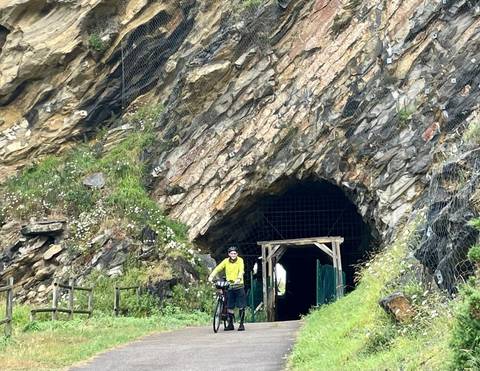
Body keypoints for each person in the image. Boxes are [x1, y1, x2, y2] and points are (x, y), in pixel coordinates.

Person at [208, 246, 246, 331]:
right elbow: (218, 268)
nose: (233, 255)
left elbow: (241, 270)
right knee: (229, 306)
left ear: (237, 254)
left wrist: (239, 278)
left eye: (235, 253)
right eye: (231, 253)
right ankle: (230, 324)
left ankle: (241, 324)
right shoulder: (226, 261)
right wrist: (211, 276)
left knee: (241, 306)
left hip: (239, 285)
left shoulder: (240, 260)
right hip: (229, 286)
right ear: (229, 254)